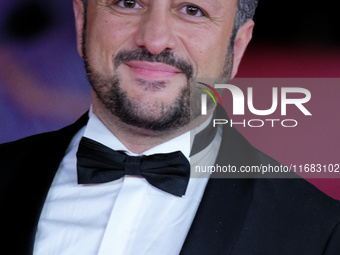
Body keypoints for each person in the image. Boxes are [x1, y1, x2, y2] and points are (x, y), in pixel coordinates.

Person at [1, 0, 339, 254]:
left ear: (236, 47)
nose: (155, 39)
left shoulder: (321, 233)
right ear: (81, 21)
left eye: (192, 10)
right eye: (128, 2)